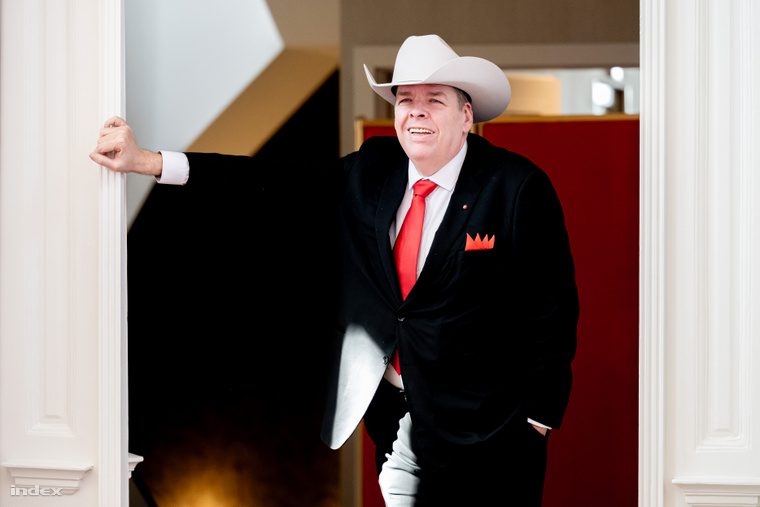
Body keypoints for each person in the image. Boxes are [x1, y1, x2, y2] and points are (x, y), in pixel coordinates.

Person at [91, 34, 578, 506]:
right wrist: (150, 162)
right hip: (398, 420)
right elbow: (269, 180)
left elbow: (552, 309)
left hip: (489, 427)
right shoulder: (373, 169)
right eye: (406, 100)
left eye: (434, 100)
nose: (417, 112)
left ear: (466, 114)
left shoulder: (516, 187)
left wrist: (537, 419)